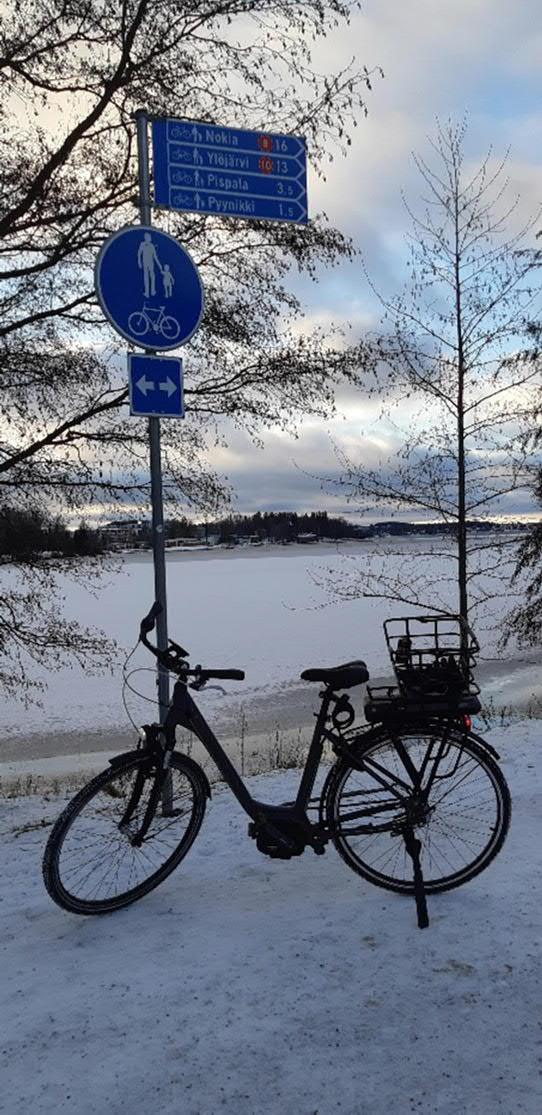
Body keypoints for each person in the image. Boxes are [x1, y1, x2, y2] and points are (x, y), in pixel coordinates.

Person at [137, 233, 162, 298]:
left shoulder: (152, 246)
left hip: (151, 263)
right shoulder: (142, 244)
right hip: (145, 263)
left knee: (152, 276)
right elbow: (139, 253)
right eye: (149, 237)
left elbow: (155, 256)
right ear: (146, 237)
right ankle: (147, 292)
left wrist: (159, 265)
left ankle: (153, 291)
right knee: (146, 277)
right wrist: (139, 262)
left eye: (150, 237)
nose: (150, 238)